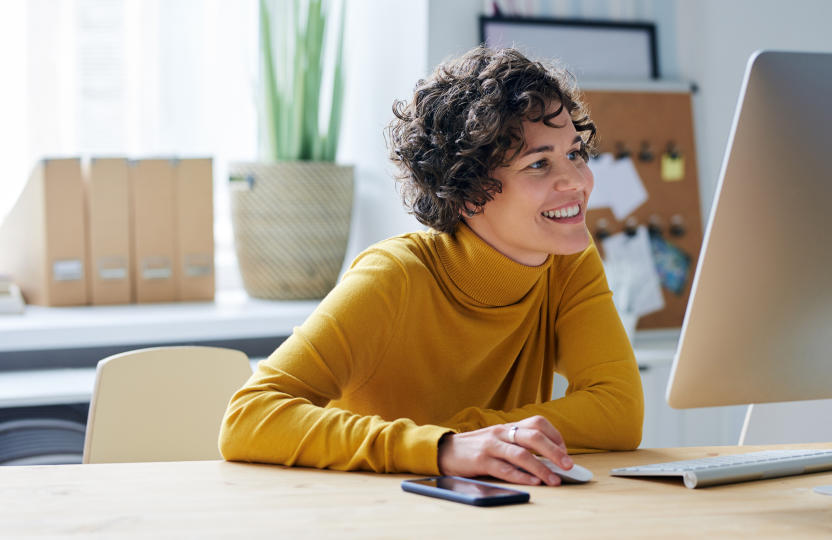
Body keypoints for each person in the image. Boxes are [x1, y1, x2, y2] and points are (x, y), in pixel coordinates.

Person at [219, 46, 644, 487]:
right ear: (468, 190)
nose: (577, 181)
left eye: (574, 153)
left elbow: (619, 411)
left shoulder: (568, 260)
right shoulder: (394, 277)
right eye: (539, 163)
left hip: (491, 510)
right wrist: (442, 449)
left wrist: (482, 436)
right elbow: (249, 416)